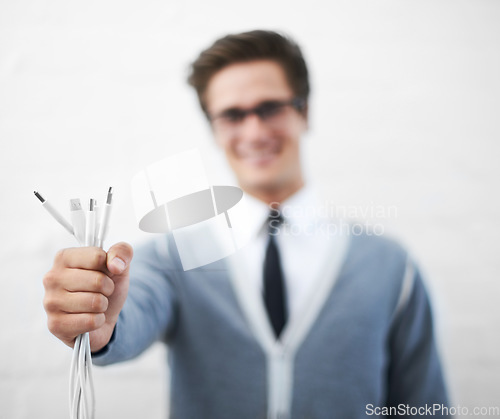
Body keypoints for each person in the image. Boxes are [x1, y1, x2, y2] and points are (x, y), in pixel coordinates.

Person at [42, 30, 450, 418]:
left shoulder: (392, 267)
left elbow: (425, 404)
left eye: (270, 108)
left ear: (304, 112)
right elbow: (128, 317)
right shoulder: (172, 256)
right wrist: (99, 325)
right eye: (233, 115)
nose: (254, 132)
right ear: (214, 130)